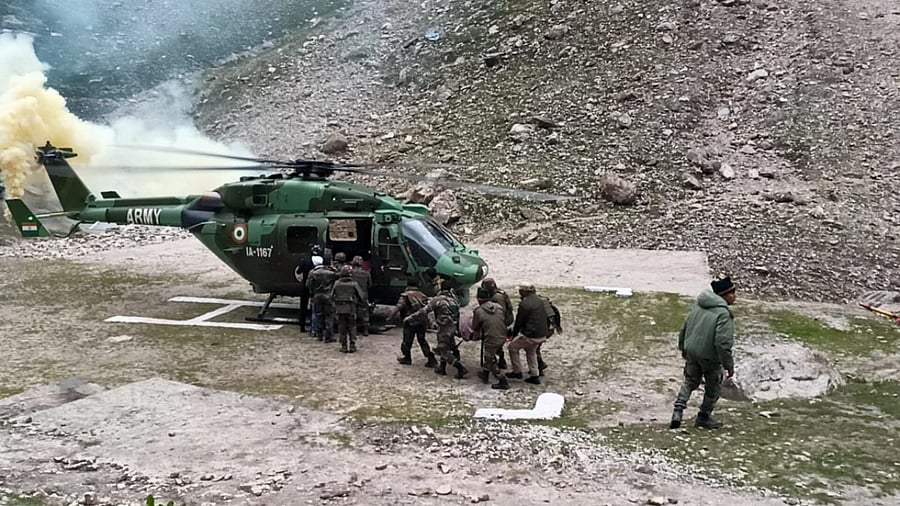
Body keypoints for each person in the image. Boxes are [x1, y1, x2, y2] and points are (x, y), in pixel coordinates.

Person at [669, 276, 737, 430]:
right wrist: (728, 365)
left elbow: (685, 327)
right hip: (709, 357)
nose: (735, 296)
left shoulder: (699, 305)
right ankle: (703, 417)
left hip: (692, 351)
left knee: (689, 381)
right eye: (732, 293)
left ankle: (678, 411)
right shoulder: (723, 314)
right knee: (714, 387)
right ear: (724, 295)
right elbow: (723, 343)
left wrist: (683, 348)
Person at [409, 280, 466, 378]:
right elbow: (458, 314)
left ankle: (460, 368)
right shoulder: (455, 300)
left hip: (444, 328)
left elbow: (424, 311)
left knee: (443, 350)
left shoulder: (437, 300)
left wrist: (410, 317)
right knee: (447, 346)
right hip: (452, 327)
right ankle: (442, 368)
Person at [507, 282, 548, 385]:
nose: (519, 292)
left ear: (524, 291)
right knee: (531, 351)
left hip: (531, 335)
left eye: (520, 290)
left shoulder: (525, 304)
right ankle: (535, 374)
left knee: (512, 348)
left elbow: (519, 321)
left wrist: (514, 335)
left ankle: (517, 371)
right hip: (542, 333)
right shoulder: (539, 300)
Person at [390, 278, 436, 367]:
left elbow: (399, 306)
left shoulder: (405, 295)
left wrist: (390, 316)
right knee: (422, 340)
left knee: (407, 341)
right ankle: (431, 359)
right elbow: (428, 309)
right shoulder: (422, 295)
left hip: (410, 321)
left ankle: (407, 358)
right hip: (422, 321)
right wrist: (431, 321)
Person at [471, 288, 510, 390]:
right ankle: (485, 374)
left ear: (478, 299)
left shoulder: (479, 311)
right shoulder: (499, 307)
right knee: (490, 355)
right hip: (502, 335)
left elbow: (475, 327)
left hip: (491, 338)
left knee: (489, 359)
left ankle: (502, 380)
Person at [481, 278, 513, 369]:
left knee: (494, 341)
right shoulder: (499, 293)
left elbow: (499, 311)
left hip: (501, 322)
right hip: (504, 320)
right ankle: (500, 360)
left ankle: (497, 361)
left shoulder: (497, 297)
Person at [331, 265, 365, 353]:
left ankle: (344, 346)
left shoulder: (337, 283)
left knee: (342, 327)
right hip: (351, 308)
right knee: (352, 327)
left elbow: (331, 295)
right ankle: (352, 345)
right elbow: (361, 296)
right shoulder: (354, 284)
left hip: (340, 309)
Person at [306, 254, 338, 343]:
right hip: (328, 296)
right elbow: (338, 276)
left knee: (319, 315)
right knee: (329, 317)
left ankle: (319, 335)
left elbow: (308, 285)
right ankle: (328, 336)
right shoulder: (331, 273)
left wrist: (312, 293)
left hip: (317, 296)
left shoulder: (312, 272)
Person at [294, 246, 322, 333]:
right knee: (316, 307)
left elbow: (298, 271)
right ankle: (314, 326)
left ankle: (302, 326)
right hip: (317, 287)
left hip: (305, 286)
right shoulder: (323, 260)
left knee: (303, 306)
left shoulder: (306, 260)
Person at [350, 256, 373, 336]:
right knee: (365, 312)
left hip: (353, 295)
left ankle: (354, 330)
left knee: (353, 312)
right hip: (363, 295)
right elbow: (370, 285)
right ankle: (365, 330)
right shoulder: (366, 273)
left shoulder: (350, 273)